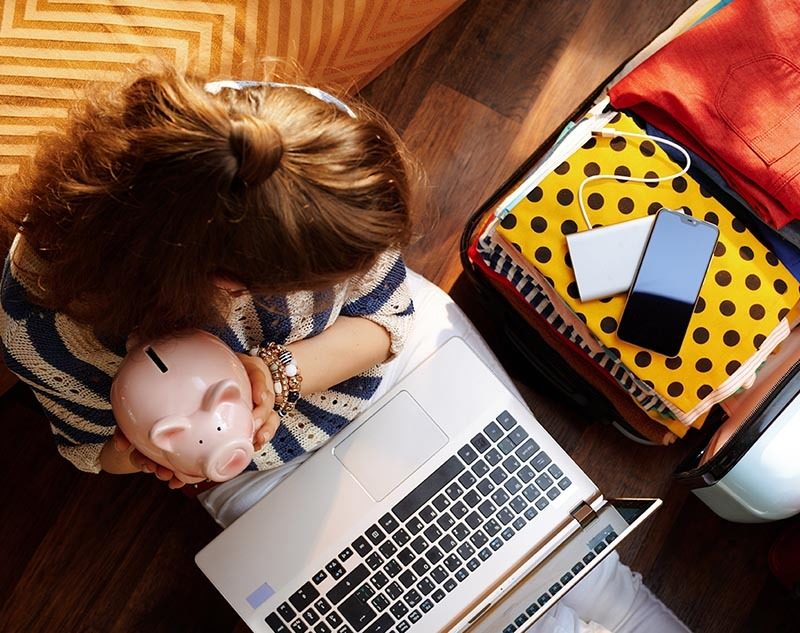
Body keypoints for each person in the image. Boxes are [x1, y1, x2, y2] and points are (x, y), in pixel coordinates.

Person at [0, 63, 689, 633]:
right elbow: (93, 448)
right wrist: (148, 449)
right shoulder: (43, 320)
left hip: (404, 368)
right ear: (230, 288)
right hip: (261, 471)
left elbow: (389, 318)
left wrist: (276, 373)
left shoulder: (283, 143)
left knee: (583, 567)